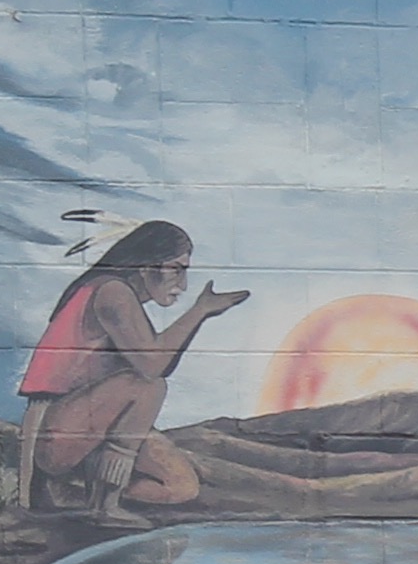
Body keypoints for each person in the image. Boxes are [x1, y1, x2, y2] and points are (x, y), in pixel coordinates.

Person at [14, 219, 246, 516]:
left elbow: (154, 361)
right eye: (176, 269)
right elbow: (152, 365)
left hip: (93, 427)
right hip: (54, 430)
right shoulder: (112, 292)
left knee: (180, 486)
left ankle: (75, 495)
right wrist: (199, 311)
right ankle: (105, 504)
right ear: (147, 267)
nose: (182, 285)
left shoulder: (122, 296)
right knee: (148, 385)